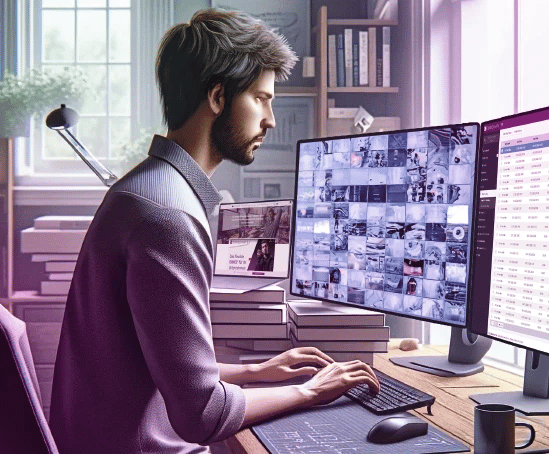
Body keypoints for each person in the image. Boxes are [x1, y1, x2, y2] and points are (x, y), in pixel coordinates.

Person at [50, 9, 379, 454]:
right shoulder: (168, 217)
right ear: (219, 97)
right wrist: (312, 390)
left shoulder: (149, 190)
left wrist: (253, 371)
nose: (271, 119)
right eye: (261, 99)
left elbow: (158, 363)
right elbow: (201, 414)